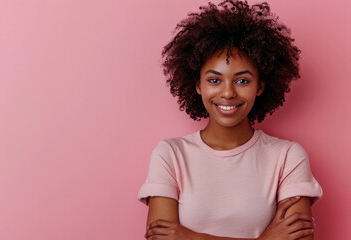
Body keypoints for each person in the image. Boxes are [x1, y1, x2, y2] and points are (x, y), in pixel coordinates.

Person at [138, 0, 323, 239]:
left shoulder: (287, 157)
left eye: (242, 80)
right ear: (198, 85)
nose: (227, 93)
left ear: (260, 86)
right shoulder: (171, 154)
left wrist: (192, 237)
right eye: (214, 80)